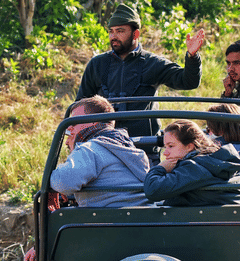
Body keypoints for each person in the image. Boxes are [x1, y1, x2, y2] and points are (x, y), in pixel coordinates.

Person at [23, 95, 152, 261]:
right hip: (140, 222)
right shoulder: (128, 148)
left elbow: (63, 181)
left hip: (108, 227)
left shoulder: (90, 149)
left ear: (91, 122)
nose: (69, 128)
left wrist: (54, 181)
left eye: (74, 122)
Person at [75, 3, 205, 163]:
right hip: (103, 150)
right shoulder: (97, 64)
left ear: (135, 34)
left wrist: (192, 57)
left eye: (120, 31)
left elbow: (188, 81)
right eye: (111, 31)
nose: (113, 36)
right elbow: (80, 106)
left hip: (143, 151)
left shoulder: (153, 63)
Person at [144, 119, 240, 206]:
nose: (165, 153)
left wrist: (160, 168)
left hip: (198, 229)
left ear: (190, 146)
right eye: (165, 147)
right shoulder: (232, 163)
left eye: (171, 146)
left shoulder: (191, 167)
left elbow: (153, 190)